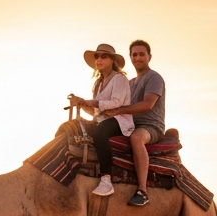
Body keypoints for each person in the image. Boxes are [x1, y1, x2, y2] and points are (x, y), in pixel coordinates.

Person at [89, 40, 165, 206]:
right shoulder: (129, 83)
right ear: (130, 57)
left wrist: (118, 111)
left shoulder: (154, 78)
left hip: (150, 126)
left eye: (141, 54)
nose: (138, 58)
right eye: (134, 55)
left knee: (136, 138)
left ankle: (143, 190)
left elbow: (148, 104)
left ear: (149, 57)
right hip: (128, 122)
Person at [68, 43, 132, 197]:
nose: (99, 59)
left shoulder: (119, 79)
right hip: (102, 119)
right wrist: (82, 103)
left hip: (119, 119)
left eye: (104, 56)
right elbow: (95, 111)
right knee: (71, 129)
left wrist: (90, 102)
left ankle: (106, 179)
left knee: (99, 133)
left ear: (112, 60)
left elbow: (116, 103)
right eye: (97, 56)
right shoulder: (98, 84)